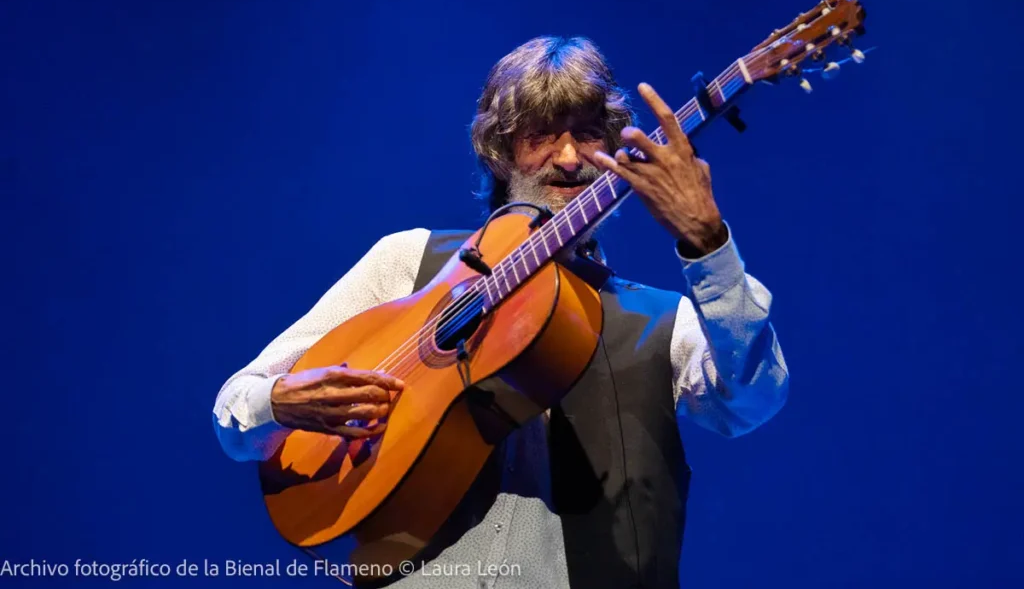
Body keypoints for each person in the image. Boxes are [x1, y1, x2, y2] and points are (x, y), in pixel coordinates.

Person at [213, 36, 789, 588]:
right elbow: (237, 411)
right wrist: (279, 401)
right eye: (542, 135)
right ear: (500, 150)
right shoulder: (409, 261)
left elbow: (751, 402)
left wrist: (709, 246)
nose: (568, 159)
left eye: (589, 135)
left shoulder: (662, 321)